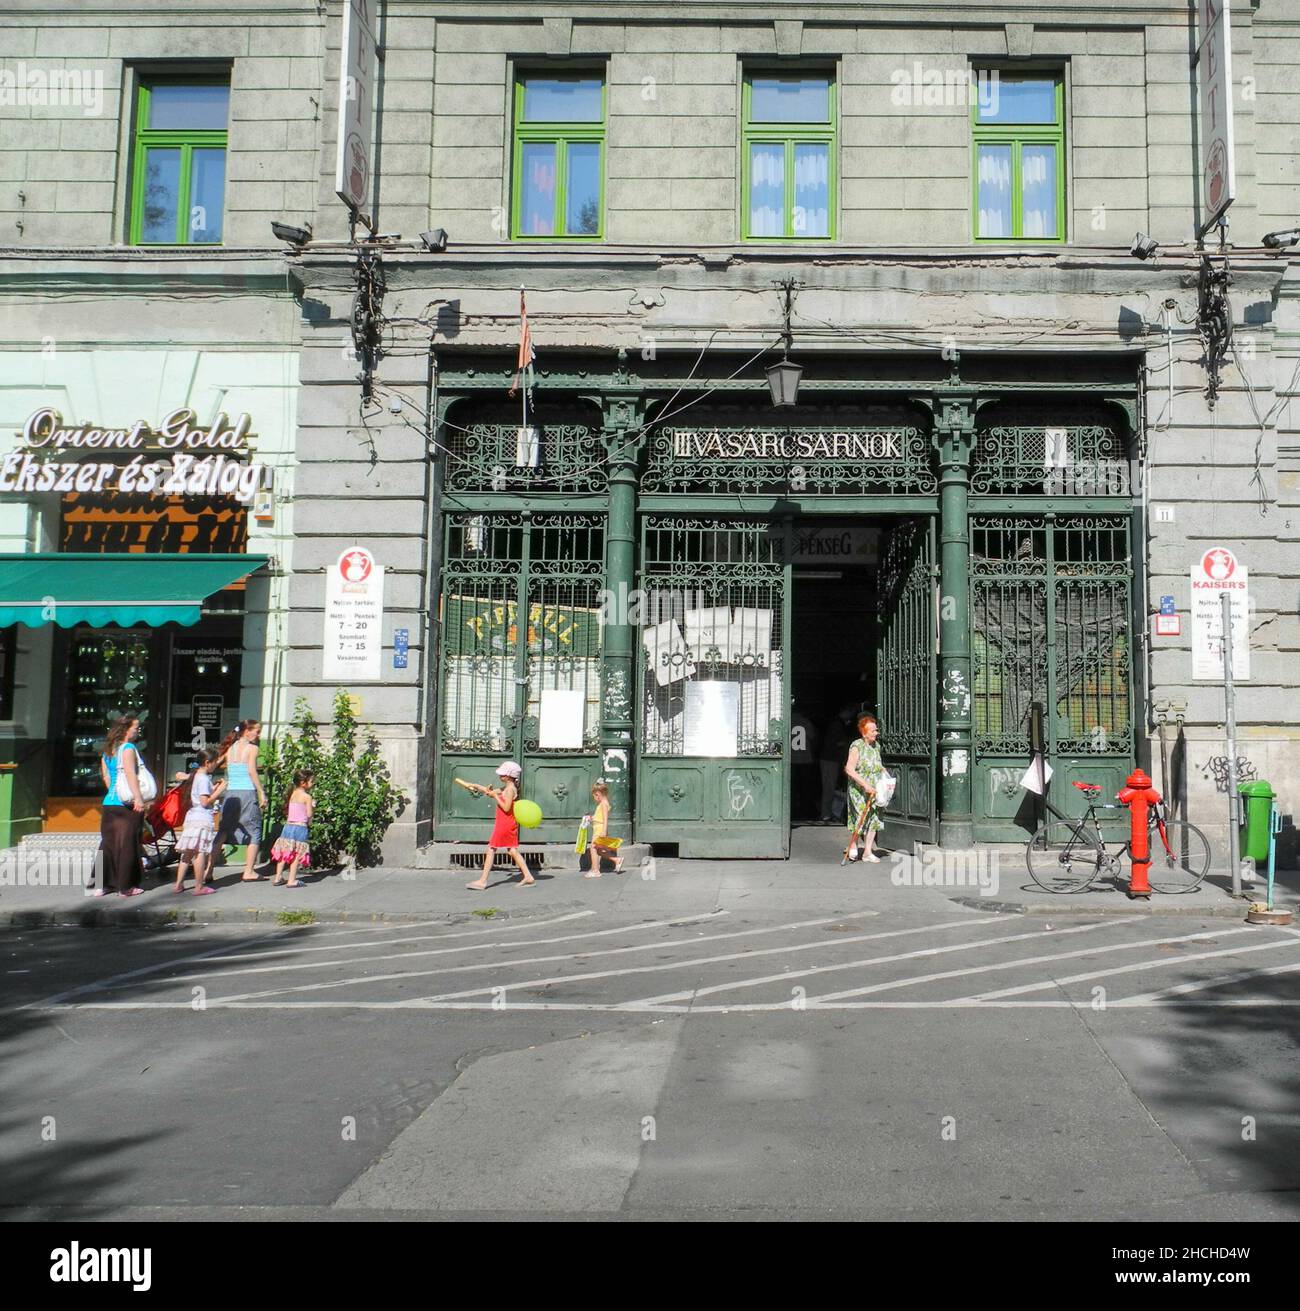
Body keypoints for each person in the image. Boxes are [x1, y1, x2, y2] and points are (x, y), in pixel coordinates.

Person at [95, 715, 146, 897]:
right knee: (127, 845)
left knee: (107, 844)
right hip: (126, 804)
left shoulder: (108, 750)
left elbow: (106, 777)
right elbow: (131, 773)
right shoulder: (129, 748)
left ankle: (101, 885)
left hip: (110, 802)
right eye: (136, 727)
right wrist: (138, 798)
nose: (138, 730)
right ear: (126, 730)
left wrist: (114, 792)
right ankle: (126, 887)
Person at [465, 760, 535, 889]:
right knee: (512, 850)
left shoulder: (509, 790)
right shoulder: (507, 788)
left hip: (505, 824)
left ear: (509, 776)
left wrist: (495, 797)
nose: (500, 776)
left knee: (491, 848)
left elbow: (507, 808)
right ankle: (528, 876)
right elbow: (488, 791)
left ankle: (483, 881)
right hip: (507, 823)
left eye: (502, 774)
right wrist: (474, 785)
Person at [216, 719, 266, 882]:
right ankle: (249, 871)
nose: (258, 735)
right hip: (247, 793)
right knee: (254, 831)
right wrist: (261, 792)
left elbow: (215, 763)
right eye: (256, 731)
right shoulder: (252, 748)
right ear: (247, 731)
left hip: (231, 794)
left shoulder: (230, 747)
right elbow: (251, 771)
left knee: (223, 831)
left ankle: (207, 870)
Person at [173, 747, 225, 895]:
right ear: (208, 762)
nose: (216, 765)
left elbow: (201, 794)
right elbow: (204, 801)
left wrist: (213, 788)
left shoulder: (196, 776)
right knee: (200, 852)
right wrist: (219, 791)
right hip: (201, 818)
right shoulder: (203, 778)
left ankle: (178, 884)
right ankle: (199, 886)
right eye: (215, 762)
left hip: (192, 817)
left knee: (187, 853)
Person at [844, 713, 885, 863]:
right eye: (873, 730)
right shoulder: (857, 746)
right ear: (864, 732)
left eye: (876, 730)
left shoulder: (876, 746)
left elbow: (878, 765)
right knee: (861, 816)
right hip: (858, 789)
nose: (876, 733)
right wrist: (865, 785)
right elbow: (849, 769)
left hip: (875, 789)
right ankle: (853, 843)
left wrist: (885, 774)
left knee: (874, 818)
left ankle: (867, 851)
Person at [271, 769, 315, 888]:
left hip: (288, 826)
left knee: (285, 851)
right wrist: (312, 806)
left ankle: (278, 877)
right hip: (300, 827)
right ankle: (292, 880)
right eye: (311, 781)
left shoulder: (292, 793)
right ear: (303, 782)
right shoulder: (307, 797)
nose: (313, 783)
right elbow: (309, 814)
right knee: (296, 854)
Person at [819, 705, 855, 823]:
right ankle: (826, 813)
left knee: (831, 786)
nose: (850, 716)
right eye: (850, 712)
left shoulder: (837, 724)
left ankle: (829, 812)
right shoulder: (837, 725)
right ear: (844, 711)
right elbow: (833, 743)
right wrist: (845, 743)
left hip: (831, 759)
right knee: (829, 786)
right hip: (830, 760)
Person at [582, 779, 623, 878]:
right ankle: (617, 860)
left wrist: (604, 830)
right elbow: (599, 817)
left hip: (600, 829)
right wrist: (592, 818)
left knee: (593, 848)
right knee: (599, 850)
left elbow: (605, 818)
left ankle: (595, 870)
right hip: (598, 828)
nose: (594, 797)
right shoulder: (602, 803)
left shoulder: (604, 804)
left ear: (598, 794)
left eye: (594, 795)